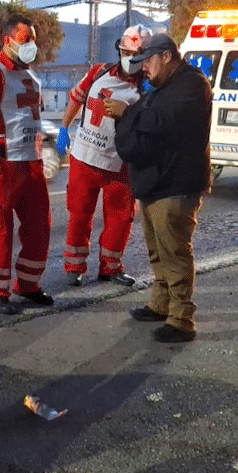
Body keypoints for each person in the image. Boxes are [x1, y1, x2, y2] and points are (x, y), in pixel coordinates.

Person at [110, 33, 212, 343]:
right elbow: (149, 118)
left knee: (175, 253)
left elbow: (161, 120)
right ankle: (161, 303)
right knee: (158, 251)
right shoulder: (162, 87)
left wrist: (127, 112)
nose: (143, 70)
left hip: (177, 183)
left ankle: (182, 319)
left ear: (166, 56)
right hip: (156, 182)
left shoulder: (192, 84)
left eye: (148, 62)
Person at [0, 15, 53, 314]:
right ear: (8, 40)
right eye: (26, 39)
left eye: (33, 39)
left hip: (32, 163)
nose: (32, 45)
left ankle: (28, 285)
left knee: (39, 227)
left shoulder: (31, 76)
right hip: (3, 167)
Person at [57, 24, 152, 288]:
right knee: (79, 215)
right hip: (84, 158)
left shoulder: (147, 89)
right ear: (118, 49)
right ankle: (74, 267)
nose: (130, 59)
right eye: (125, 52)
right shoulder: (98, 72)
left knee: (120, 219)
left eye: (136, 54)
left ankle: (111, 268)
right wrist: (64, 127)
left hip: (120, 164)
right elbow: (76, 99)